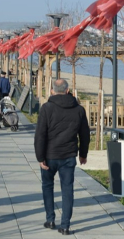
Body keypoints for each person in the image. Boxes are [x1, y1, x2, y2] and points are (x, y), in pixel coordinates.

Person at [34, 79, 90, 235]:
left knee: (47, 186)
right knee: (67, 190)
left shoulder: (46, 108)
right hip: (68, 155)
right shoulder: (79, 109)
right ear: (67, 90)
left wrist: (40, 157)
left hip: (49, 156)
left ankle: (50, 218)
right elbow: (84, 134)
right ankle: (65, 225)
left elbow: (40, 135)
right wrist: (83, 154)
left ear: (52, 91)